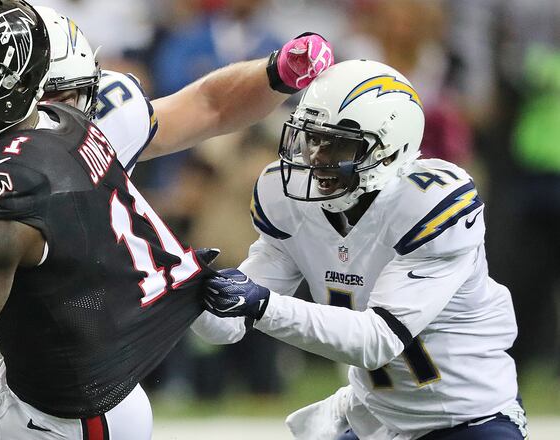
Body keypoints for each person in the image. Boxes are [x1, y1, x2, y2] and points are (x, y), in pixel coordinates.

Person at [0, 1, 333, 438]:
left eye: (72, 94)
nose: (67, 110)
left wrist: (276, 73)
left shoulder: (66, 134)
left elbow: (207, 105)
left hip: (77, 378)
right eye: (56, 95)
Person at [200, 59, 529, 439]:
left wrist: (260, 304)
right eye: (313, 138)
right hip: (377, 419)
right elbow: (226, 327)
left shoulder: (429, 206)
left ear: (388, 152)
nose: (318, 158)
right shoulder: (288, 200)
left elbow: (377, 341)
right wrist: (193, 292)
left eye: (338, 145)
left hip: (469, 419)